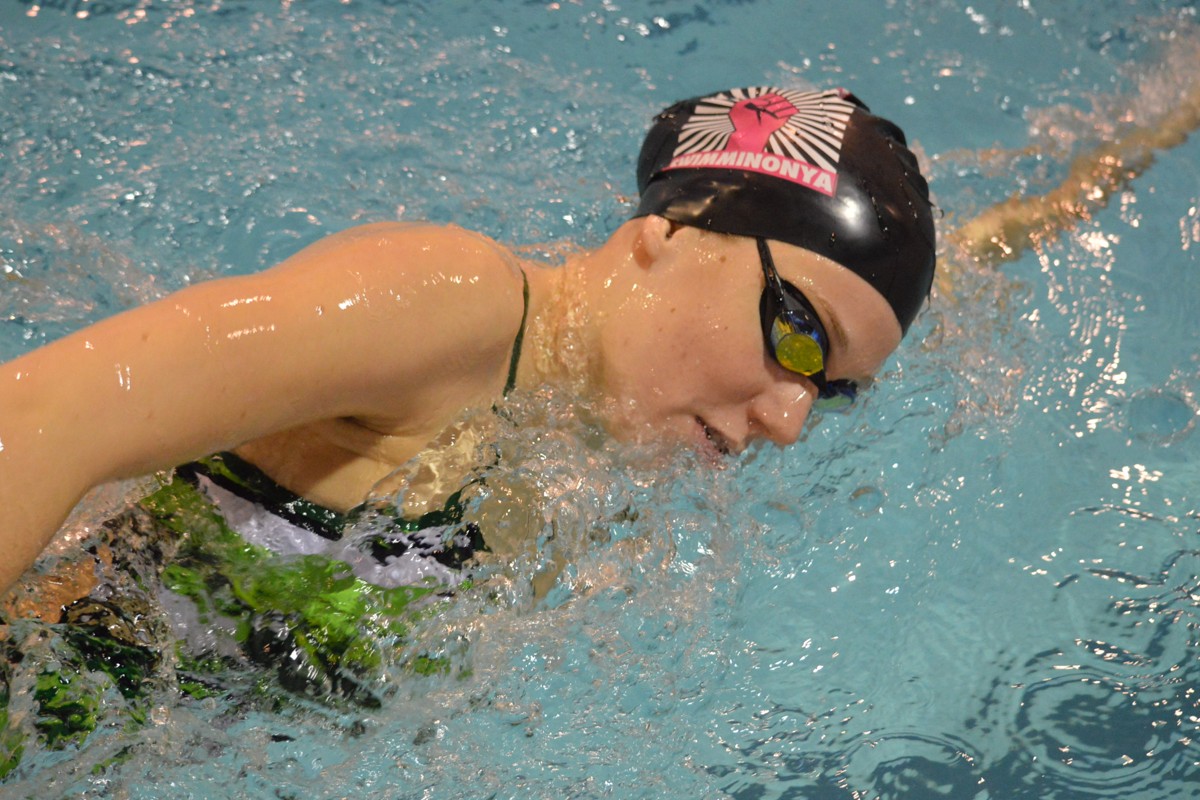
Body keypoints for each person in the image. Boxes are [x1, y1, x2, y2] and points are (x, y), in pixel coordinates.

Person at [0, 86, 936, 601]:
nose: (790, 421)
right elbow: (43, 417)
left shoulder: (594, 443)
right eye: (799, 336)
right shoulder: (451, 306)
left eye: (834, 391)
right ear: (670, 234)